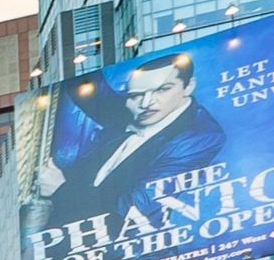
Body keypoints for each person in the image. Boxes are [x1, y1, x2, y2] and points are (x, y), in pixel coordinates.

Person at [36, 50, 224, 201]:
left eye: (162, 89)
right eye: (136, 95)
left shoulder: (199, 137)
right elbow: (92, 93)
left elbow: (133, 207)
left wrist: (60, 189)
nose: (147, 103)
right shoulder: (138, 108)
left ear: (189, 86)